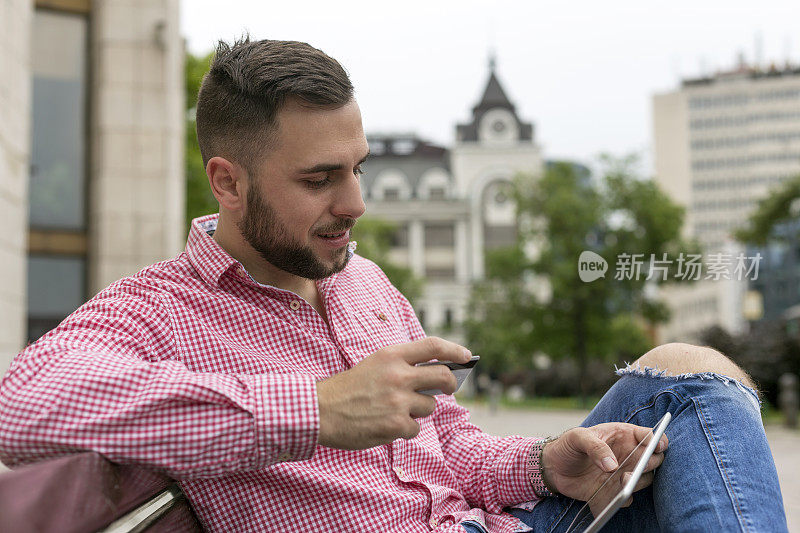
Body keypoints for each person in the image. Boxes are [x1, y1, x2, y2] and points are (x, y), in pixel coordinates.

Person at [0, 38, 787, 533]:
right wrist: (313, 409)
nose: (355, 203)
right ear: (227, 182)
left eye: (358, 168)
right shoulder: (160, 309)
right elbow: (19, 405)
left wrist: (548, 463)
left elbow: (453, 448)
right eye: (319, 179)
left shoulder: (367, 281)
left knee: (694, 374)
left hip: (496, 522)